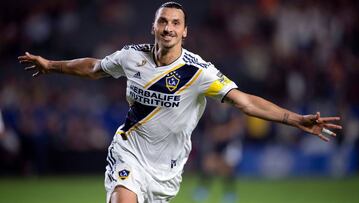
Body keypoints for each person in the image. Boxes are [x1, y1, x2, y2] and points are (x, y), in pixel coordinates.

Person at [18, 2, 342, 203]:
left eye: (175, 23)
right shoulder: (132, 56)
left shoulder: (198, 72)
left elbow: (244, 102)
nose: (168, 27)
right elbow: (94, 68)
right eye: (163, 21)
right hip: (128, 152)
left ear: (185, 31)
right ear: (154, 26)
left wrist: (294, 118)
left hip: (167, 173)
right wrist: (52, 65)